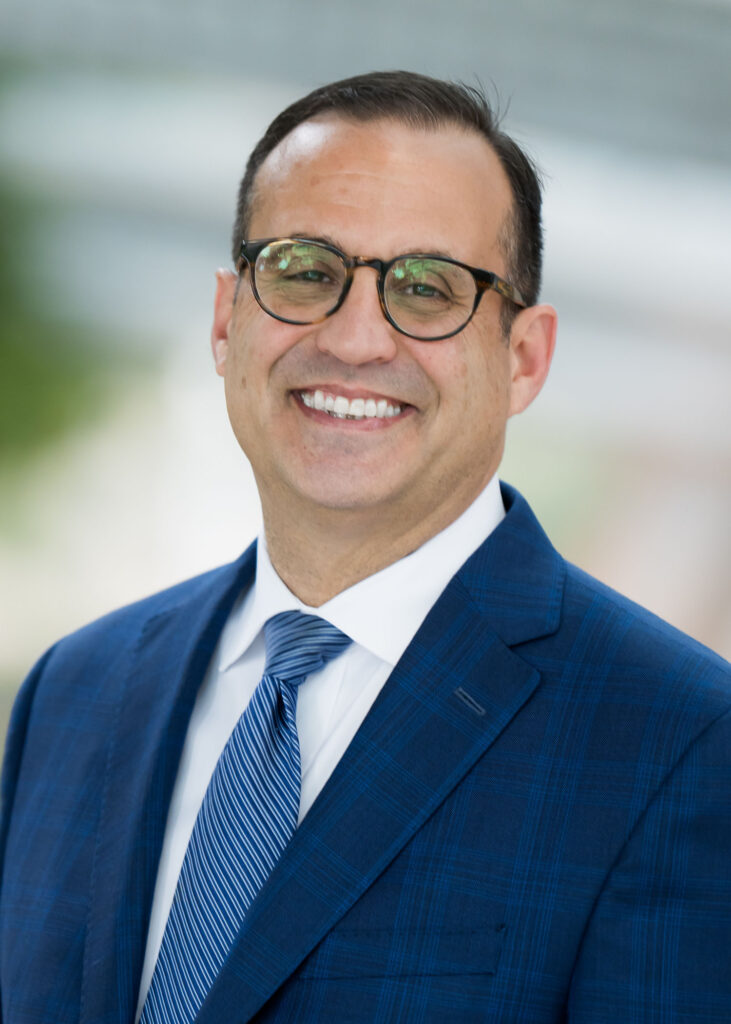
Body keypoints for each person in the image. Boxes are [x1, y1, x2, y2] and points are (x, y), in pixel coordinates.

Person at [1, 70, 729, 1024]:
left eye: (426, 289)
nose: (353, 341)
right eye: (304, 271)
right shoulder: (74, 691)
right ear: (227, 320)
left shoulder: (680, 742)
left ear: (524, 359)